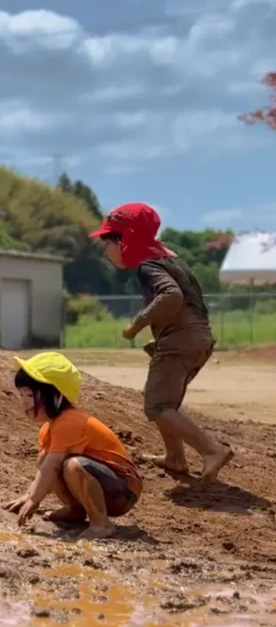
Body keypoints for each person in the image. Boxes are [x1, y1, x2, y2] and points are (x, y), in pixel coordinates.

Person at [90, 202, 234, 482]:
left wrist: (137, 324)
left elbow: (172, 297)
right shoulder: (169, 257)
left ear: (125, 239)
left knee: (157, 406)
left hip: (180, 342)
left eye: (108, 243)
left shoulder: (148, 265)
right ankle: (174, 457)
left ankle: (211, 450)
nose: (105, 251)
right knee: (163, 400)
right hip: (197, 339)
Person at [4, 352, 143, 540]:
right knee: (48, 460)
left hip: (122, 492)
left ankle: (101, 524)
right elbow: (46, 467)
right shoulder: (48, 428)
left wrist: (34, 500)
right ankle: (76, 510)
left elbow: (53, 466)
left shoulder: (71, 421)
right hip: (103, 486)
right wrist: (28, 494)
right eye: (20, 395)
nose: (23, 402)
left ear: (56, 396)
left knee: (73, 465)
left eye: (30, 395)